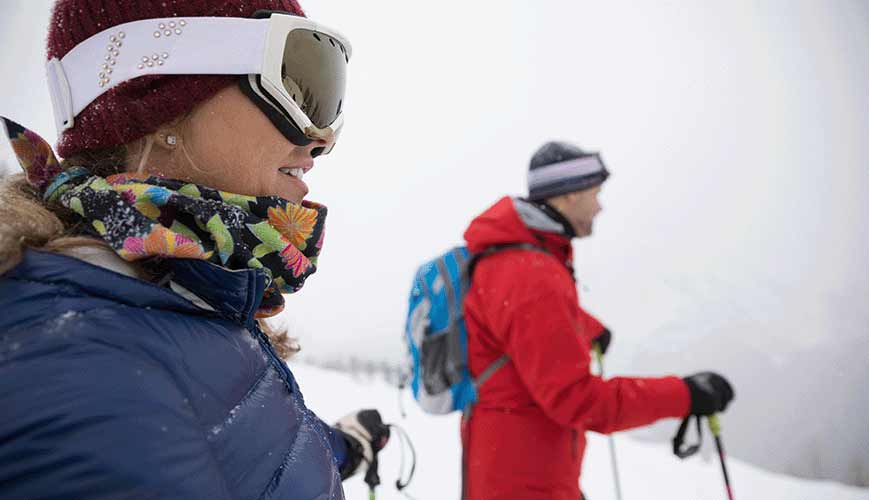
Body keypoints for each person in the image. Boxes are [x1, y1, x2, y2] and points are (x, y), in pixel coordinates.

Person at [0, 1, 388, 498]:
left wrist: (344, 447)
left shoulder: (181, 292)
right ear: (157, 98)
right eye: (297, 80)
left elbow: (248, 444)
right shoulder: (80, 366)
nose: (320, 138)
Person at [461, 141, 735, 499]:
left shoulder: (517, 256)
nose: (600, 206)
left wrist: (583, 325)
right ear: (570, 195)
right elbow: (578, 401)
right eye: (596, 192)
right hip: (524, 480)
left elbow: (511, 318)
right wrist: (684, 395)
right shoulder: (532, 273)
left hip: (513, 465)